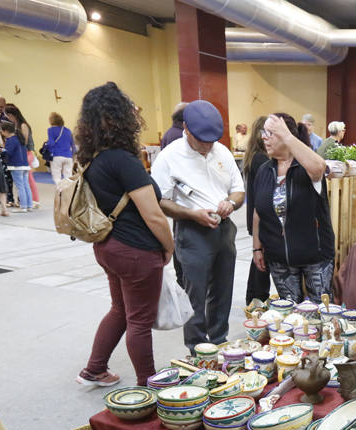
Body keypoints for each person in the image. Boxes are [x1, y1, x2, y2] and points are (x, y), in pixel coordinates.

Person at [76, 82, 175, 388]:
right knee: (140, 321)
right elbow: (154, 214)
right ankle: (149, 386)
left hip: (107, 246)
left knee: (121, 310)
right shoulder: (123, 160)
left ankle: (94, 369)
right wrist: (168, 247)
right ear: (120, 118)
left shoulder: (92, 158)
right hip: (135, 251)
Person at [151, 100, 245, 352]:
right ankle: (197, 347)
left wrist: (230, 203)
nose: (207, 146)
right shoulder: (169, 157)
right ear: (186, 129)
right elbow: (160, 201)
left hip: (224, 229)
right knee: (195, 293)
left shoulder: (222, 152)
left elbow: (239, 190)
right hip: (192, 232)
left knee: (223, 288)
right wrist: (192, 215)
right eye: (202, 140)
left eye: (211, 141)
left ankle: (218, 339)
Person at [250, 112, 333, 302]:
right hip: (278, 258)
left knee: (320, 312)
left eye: (270, 133)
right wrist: (257, 249)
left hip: (315, 256)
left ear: (287, 135)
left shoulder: (306, 167)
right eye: (264, 132)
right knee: (289, 313)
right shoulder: (264, 171)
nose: (264, 137)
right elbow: (258, 212)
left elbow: (319, 167)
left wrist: (288, 137)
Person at [243, 114, 272, 303]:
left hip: (253, 214)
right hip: (259, 217)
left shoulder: (253, 156)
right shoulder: (261, 160)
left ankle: (254, 298)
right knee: (261, 261)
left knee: (259, 260)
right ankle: (257, 299)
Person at [4, 104, 39, 209]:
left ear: (11, 115)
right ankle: (28, 201)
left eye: (8, 116)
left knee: (28, 179)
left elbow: (24, 142)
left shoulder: (23, 125)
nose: (7, 118)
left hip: (26, 154)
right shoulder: (16, 125)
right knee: (26, 180)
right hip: (22, 154)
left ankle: (34, 201)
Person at [0, 121, 32, 212]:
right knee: (26, 185)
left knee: (20, 186)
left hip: (16, 166)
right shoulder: (19, 139)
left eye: (2, 131)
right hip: (25, 165)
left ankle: (23, 206)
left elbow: (8, 153)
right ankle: (29, 205)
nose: (1, 133)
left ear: (6, 131)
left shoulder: (10, 140)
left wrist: (1, 150)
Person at [46, 112, 75, 186]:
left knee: (57, 177)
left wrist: (47, 147)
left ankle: (60, 192)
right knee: (68, 177)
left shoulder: (51, 130)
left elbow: (51, 143)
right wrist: (73, 155)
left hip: (57, 155)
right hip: (68, 157)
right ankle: (69, 193)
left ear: (52, 121)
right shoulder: (68, 131)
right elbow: (73, 145)